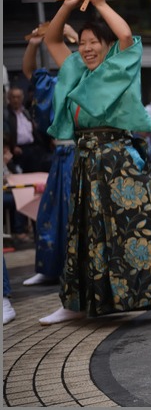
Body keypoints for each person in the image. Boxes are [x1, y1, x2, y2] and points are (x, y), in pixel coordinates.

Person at [37, 0, 151, 327]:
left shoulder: (119, 67)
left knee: (141, 227)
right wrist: (68, 4)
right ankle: (76, 301)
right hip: (86, 162)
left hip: (119, 159)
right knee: (85, 234)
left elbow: (125, 36)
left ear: (106, 47)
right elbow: (51, 38)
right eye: (84, 44)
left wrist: (101, 3)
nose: (88, 49)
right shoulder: (77, 70)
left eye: (95, 43)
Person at [21, 24, 78, 286]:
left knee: (74, 213)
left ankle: (76, 267)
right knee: (50, 213)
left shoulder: (86, 78)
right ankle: (49, 267)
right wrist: (34, 43)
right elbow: (30, 71)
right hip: (60, 155)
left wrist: (74, 39)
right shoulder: (54, 84)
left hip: (80, 153)